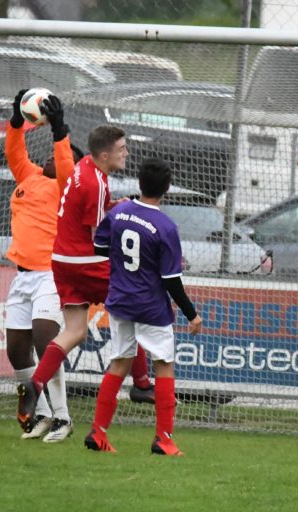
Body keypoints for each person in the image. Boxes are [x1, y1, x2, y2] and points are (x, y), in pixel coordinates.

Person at [16, 99, 156, 433]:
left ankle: (34, 386)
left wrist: (115, 205)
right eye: (121, 149)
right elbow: (99, 236)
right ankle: (141, 382)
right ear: (104, 155)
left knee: (75, 331)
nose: (126, 154)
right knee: (134, 306)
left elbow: (92, 211)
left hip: (62, 262)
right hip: (84, 262)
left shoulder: (85, 170)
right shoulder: (95, 183)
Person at [83, 158, 202, 455]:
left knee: (120, 362)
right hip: (150, 307)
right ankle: (164, 438)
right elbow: (171, 280)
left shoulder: (120, 211)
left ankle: (98, 432)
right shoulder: (166, 226)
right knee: (163, 365)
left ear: (139, 183)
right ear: (166, 188)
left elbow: (99, 247)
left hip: (121, 301)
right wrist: (192, 313)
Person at [3, 89, 77, 443]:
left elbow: (66, 165)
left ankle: (63, 417)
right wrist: (17, 121)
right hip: (21, 276)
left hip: (50, 274)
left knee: (46, 338)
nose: (50, 157)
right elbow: (14, 151)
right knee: (16, 349)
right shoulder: (28, 177)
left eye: (58, 155)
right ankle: (41, 414)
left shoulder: (67, 187)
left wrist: (60, 131)